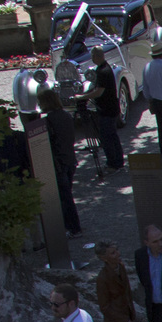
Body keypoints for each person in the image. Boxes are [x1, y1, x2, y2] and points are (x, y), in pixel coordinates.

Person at [34, 88, 83, 234]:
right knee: (67, 195)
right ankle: (72, 226)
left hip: (58, 162)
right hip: (70, 158)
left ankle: (72, 227)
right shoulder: (67, 116)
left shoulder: (48, 121)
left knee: (64, 197)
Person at [90, 47, 124, 170]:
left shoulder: (103, 71)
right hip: (110, 108)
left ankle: (113, 163)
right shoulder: (103, 68)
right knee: (112, 136)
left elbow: (99, 92)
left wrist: (83, 97)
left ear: (96, 56)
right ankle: (118, 161)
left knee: (107, 138)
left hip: (107, 110)